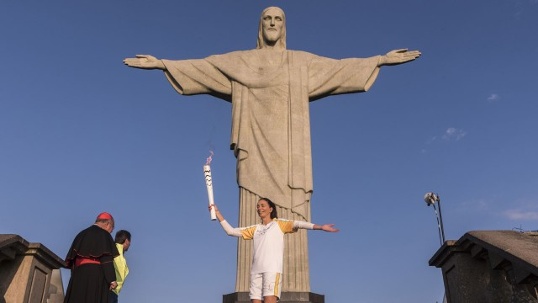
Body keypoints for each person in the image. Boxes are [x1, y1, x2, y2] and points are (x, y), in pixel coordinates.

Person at [124, 6, 420, 292]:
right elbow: (205, 67)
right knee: (254, 217)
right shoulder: (241, 62)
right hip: (253, 146)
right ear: (260, 25)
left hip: (291, 153)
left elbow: (339, 68)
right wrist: (163, 63)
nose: (273, 23)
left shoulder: (300, 63)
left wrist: (379, 60)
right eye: (267, 18)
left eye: (278, 18)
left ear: (284, 25)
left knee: (288, 218)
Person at [210, 198, 338, 303]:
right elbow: (231, 231)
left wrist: (320, 227)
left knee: (269, 300)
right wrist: (217, 212)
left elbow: (299, 224)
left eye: (263, 205)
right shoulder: (255, 229)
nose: (259, 208)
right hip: (256, 271)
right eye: (258, 206)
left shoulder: (279, 224)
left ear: (270, 209)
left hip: (272, 270)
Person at [64, 212, 120, 303]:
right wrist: (112, 279)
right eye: (112, 228)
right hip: (95, 276)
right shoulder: (104, 235)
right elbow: (106, 258)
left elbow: (72, 261)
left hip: (78, 276)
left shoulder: (81, 234)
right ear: (108, 224)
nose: (111, 231)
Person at [109, 230, 131, 303]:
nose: (130, 244)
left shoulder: (120, 254)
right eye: (130, 242)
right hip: (109, 290)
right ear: (127, 241)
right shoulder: (114, 250)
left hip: (115, 292)